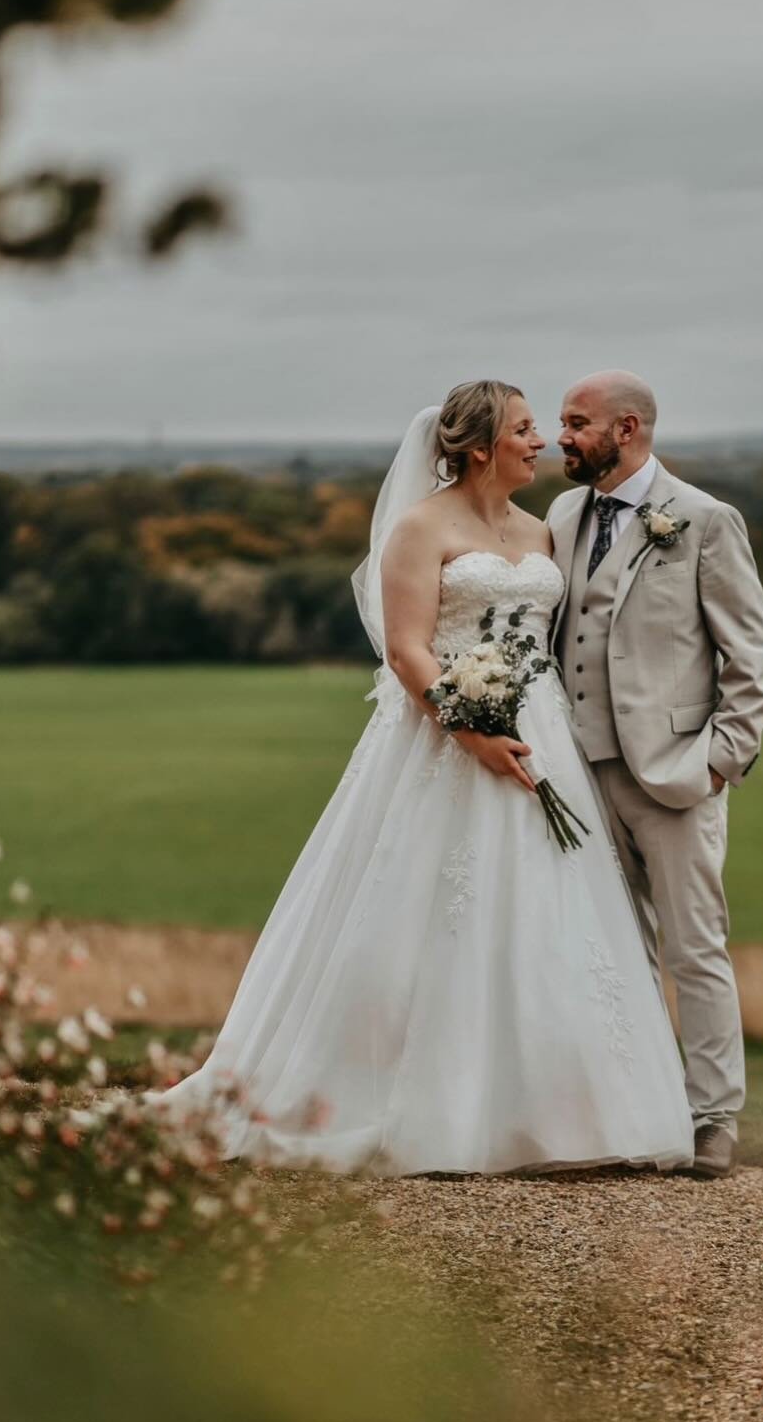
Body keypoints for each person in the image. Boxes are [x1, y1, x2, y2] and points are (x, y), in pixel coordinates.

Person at [150, 381, 694, 1176]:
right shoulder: (418, 529)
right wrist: (473, 734)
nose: (538, 440)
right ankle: (426, 1105)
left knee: (555, 916)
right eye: (523, 428)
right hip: (445, 740)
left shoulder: (545, 534)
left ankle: (567, 1115)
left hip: (542, 735)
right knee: (428, 916)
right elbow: (408, 651)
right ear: (480, 447)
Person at [549, 370, 763, 1178]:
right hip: (577, 773)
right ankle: (640, 1107)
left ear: (629, 427)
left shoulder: (707, 521)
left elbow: (749, 657)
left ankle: (714, 1118)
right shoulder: (565, 512)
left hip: (676, 773)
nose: (560, 436)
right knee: (613, 947)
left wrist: (720, 762)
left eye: (577, 422)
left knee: (695, 948)